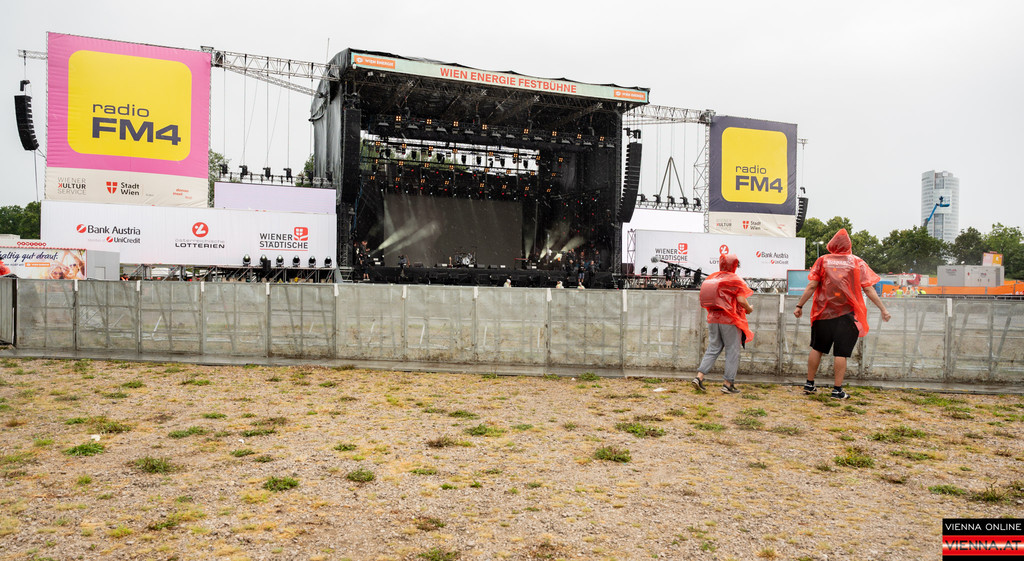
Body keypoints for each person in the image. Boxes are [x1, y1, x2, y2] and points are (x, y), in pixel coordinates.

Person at [793, 229, 891, 399]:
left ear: (832, 244)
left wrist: (799, 305)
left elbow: (811, 286)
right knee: (841, 353)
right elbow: (868, 289)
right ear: (849, 245)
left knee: (817, 348)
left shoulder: (822, 261)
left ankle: (809, 384)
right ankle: (837, 390)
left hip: (823, 314)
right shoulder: (857, 262)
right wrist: (883, 309)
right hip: (846, 315)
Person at [692, 254, 754, 394]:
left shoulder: (713, 278)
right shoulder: (735, 280)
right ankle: (727, 384)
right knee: (732, 351)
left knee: (713, 348)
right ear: (734, 265)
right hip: (730, 320)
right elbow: (741, 300)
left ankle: (699, 377)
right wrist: (749, 309)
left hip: (713, 318)